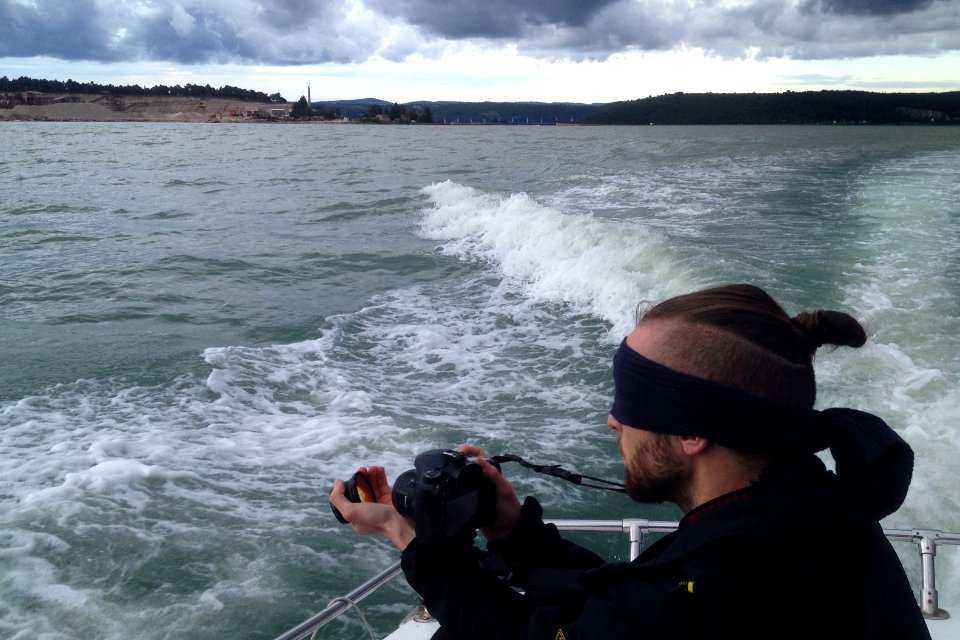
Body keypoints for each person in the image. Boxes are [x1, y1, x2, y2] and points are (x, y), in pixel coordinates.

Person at [329, 284, 931, 640]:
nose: (613, 421)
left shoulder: (721, 586)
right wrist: (517, 534)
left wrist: (411, 540)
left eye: (629, 404)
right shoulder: (812, 509)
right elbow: (632, 602)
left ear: (695, 429)